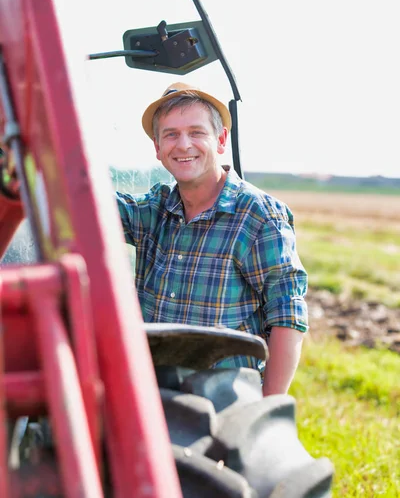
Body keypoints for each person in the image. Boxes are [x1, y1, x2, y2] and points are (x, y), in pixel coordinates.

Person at [116, 82, 308, 395]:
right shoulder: (155, 209)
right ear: (157, 147)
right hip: (149, 390)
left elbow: (287, 316)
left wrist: (269, 408)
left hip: (224, 399)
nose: (183, 145)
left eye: (196, 132)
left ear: (220, 140)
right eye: (171, 134)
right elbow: (91, 203)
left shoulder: (258, 216)